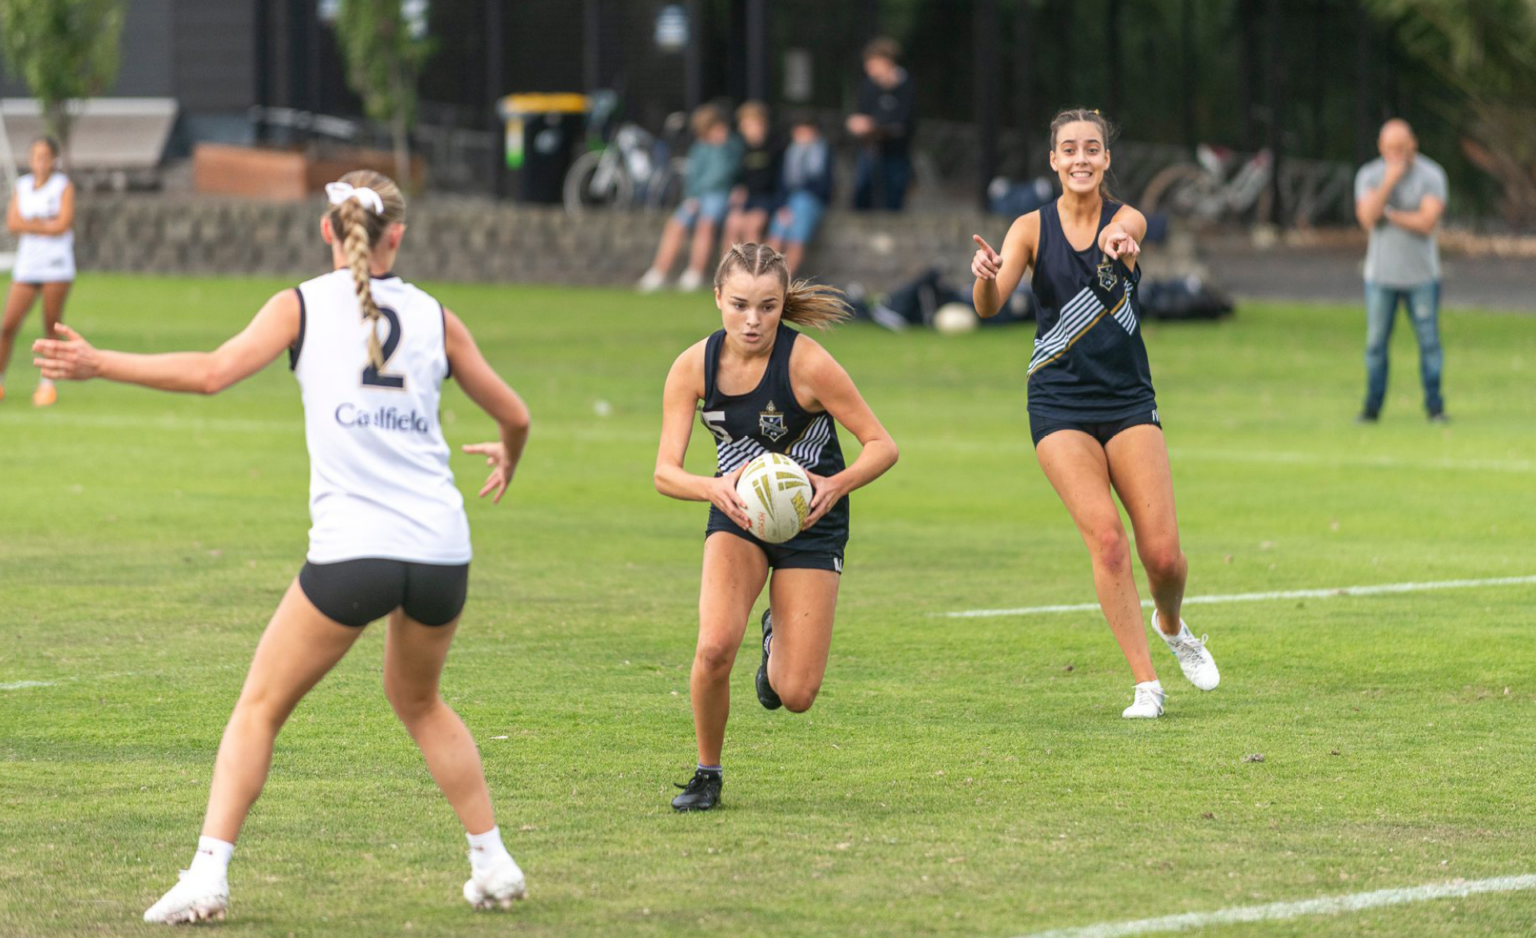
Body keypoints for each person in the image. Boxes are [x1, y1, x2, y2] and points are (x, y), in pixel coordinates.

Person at [33, 171, 533, 922]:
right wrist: (507, 454)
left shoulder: (299, 304)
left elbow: (210, 375)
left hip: (354, 552)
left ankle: (207, 876)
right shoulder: (437, 317)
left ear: (328, 232)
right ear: (397, 236)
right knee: (420, 701)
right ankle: (493, 862)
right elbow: (516, 415)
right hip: (440, 549)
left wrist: (101, 363)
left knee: (260, 707)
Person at [969, 108, 1218, 719]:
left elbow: (1130, 228)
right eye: (1068, 149)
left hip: (1129, 399)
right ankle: (1146, 685)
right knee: (1107, 541)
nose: (1080, 158)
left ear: (1106, 160)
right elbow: (989, 305)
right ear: (1052, 160)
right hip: (1057, 402)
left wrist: (1121, 242)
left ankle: (1172, 622)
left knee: (1163, 558)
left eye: (1092, 149)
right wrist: (984, 277)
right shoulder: (1028, 228)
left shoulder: (1124, 218)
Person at [654, 243, 898, 811]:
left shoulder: (807, 363)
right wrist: (712, 487)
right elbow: (665, 473)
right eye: (740, 305)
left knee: (796, 694)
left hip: (812, 522)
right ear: (717, 298)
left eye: (767, 307)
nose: (753, 320)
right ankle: (706, 773)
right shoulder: (694, 367)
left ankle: (774, 646)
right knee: (713, 646)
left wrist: (836, 485)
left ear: (782, 304)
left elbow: (882, 446)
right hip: (738, 515)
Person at [1353, 118, 1448, 423]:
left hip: (1422, 276)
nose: (1396, 153)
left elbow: (1426, 222)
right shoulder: (1369, 175)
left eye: (1401, 147)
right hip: (1381, 277)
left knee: (1429, 344)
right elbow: (1367, 217)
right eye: (1390, 147)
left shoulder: (1431, 175)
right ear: (1381, 147)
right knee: (1376, 345)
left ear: (1413, 145)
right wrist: (1390, 181)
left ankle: (1435, 407)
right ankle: (1371, 408)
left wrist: (1390, 214)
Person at [637, 105, 744, 293]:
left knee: (706, 223)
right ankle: (659, 271)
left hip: (720, 195)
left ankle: (694, 272)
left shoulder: (732, 146)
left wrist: (723, 148)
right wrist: (692, 198)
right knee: (675, 224)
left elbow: (727, 173)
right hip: (697, 196)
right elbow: (693, 176)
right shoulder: (700, 147)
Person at [3, 136, 76, 406]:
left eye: (45, 156)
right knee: (8, 325)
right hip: (27, 265)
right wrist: (43, 224)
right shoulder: (22, 186)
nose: (40, 161)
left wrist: (32, 224)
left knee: (50, 326)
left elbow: (63, 224)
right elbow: (13, 222)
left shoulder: (62, 187)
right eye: (35, 156)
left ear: (53, 159)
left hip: (56, 266)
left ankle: (47, 385)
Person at [845, 37, 916, 212]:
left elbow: (903, 121)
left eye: (873, 63)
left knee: (893, 196)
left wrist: (875, 124)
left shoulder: (906, 85)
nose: (869, 68)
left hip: (896, 151)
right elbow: (861, 113)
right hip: (870, 149)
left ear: (886, 62)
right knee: (863, 191)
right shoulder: (868, 86)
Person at [766, 114, 833, 275]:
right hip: (787, 204)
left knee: (796, 237)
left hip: (808, 202)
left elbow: (823, 186)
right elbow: (781, 184)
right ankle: (767, 275)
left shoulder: (823, 153)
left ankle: (786, 279)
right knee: (777, 233)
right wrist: (782, 206)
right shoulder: (789, 153)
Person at [722, 101, 780, 247]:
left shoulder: (775, 145)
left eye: (748, 123)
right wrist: (738, 188)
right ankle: (728, 270)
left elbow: (776, 180)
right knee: (732, 225)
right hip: (746, 198)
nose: (743, 128)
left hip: (767, 198)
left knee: (751, 226)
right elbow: (737, 176)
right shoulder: (741, 147)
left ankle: (751, 269)